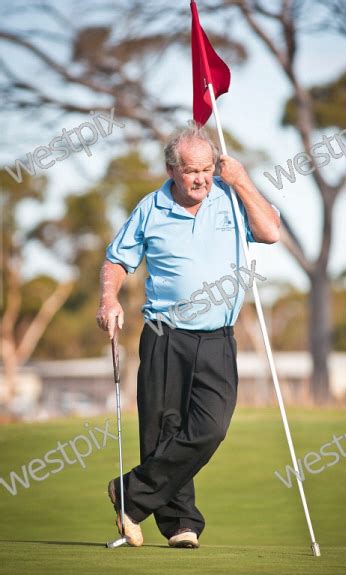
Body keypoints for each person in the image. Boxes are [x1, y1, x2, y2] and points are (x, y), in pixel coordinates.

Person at [96, 122, 280, 549]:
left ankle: (130, 493)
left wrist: (243, 180)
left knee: (211, 427)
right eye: (192, 171)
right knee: (164, 430)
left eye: (208, 169)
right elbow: (117, 261)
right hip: (165, 333)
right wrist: (109, 299)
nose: (201, 178)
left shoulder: (231, 197)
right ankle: (181, 523)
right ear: (171, 170)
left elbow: (270, 232)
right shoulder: (151, 208)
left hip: (218, 336)